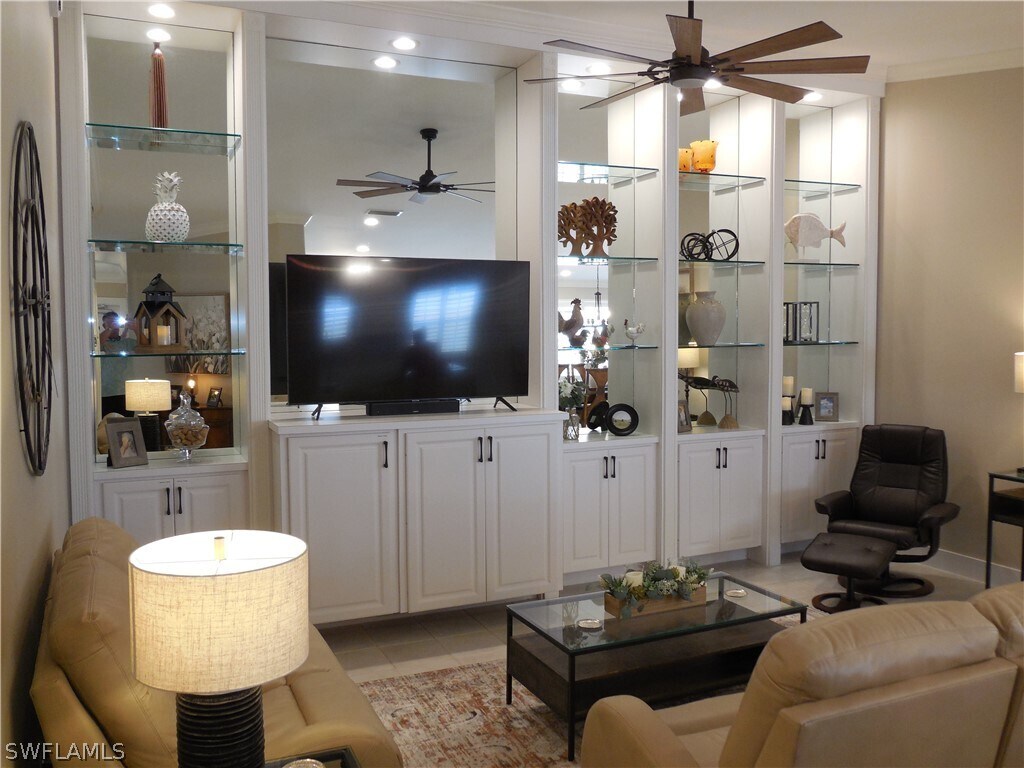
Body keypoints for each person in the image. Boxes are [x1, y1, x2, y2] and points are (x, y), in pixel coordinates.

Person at [99, 311, 137, 417]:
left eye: (115, 322)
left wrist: (136, 329)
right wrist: (110, 328)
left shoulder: (126, 342)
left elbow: (146, 346)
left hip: (125, 392)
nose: (114, 325)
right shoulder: (102, 343)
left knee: (126, 423)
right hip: (105, 392)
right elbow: (97, 344)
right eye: (110, 322)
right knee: (105, 423)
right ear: (104, 326)